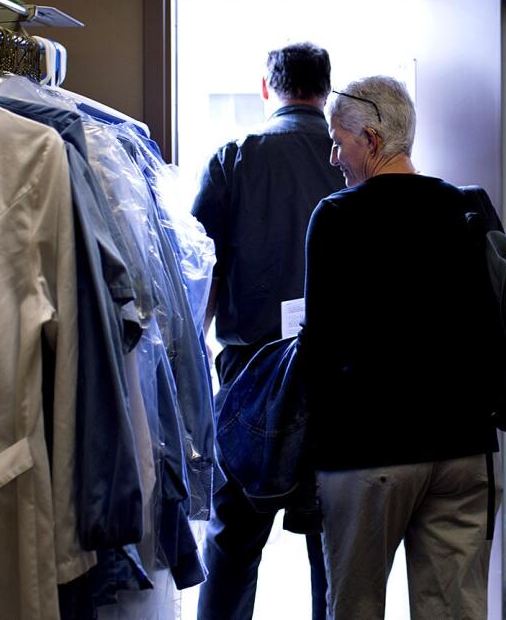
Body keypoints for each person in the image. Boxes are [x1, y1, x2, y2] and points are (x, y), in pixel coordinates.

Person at [302, 75, 501, 620]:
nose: (334, 156)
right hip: (463, 447)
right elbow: (497, 325)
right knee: (455, 611)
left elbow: (318, 348)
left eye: (338, 141)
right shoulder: (468, 210)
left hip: (367, 453)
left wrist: (306, 457)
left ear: (369, 139)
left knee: (357, 608)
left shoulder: (337, 217)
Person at [193, 42, 342, 620]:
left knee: (232, 541)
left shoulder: (234, 158)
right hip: (334, 379)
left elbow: (201, 281)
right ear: (326, 92)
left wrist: (188, 377)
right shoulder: (347, 161)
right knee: (331, 547)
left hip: (250, 376)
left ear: (266, 89)